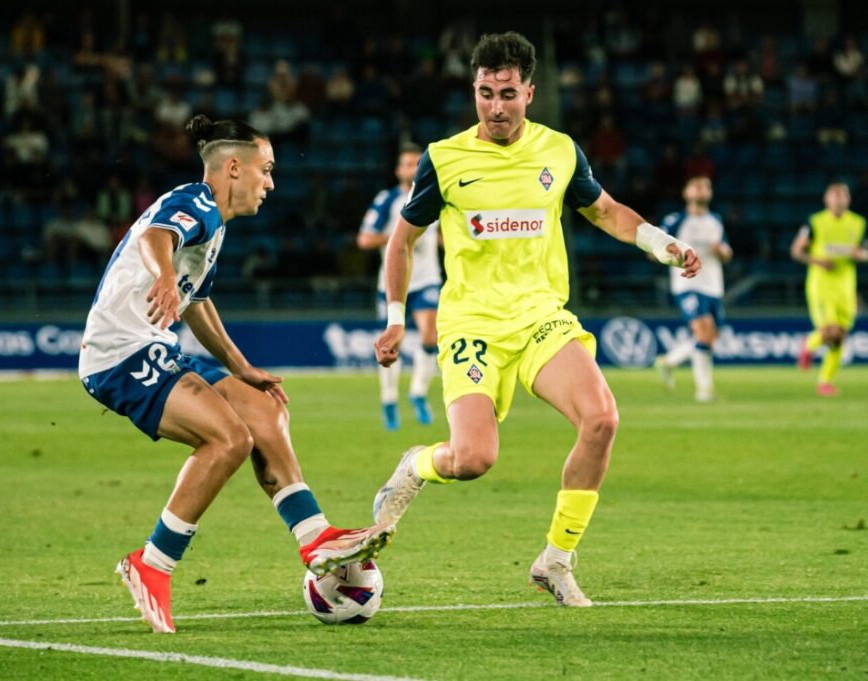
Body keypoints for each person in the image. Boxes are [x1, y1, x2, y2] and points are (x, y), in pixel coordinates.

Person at [371, 32, 699, 607]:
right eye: (484, 93)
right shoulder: (444, 159)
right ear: (473, 90)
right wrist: (397, 317)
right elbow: (401, 242)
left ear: (530, 92)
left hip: (540, 316)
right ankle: (418, 463)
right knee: (473, 459)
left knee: (600, 419)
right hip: (472, 323)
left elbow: (604, 211)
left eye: (507, 93)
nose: (495, 107)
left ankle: (556, 560)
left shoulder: (560, 150)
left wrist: (659, 241)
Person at [78, 115, 392, 634]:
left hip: (153, 347)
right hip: (119, 354)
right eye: (265, 171)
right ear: (232, 168)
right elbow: (155, 236)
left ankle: (315, 536)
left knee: (261, 409)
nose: (270, 183)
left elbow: (197, 302)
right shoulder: (198, 202)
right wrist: (162, 278)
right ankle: (152, 565)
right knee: (228, 440)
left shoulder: (214, 227)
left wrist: (242, 369)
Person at [358, 144, 442, 430]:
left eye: (417, 163)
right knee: (391, 343)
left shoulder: (436, 195)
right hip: (394, 282)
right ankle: (390, 400)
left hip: (428, 278)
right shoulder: (388, 200)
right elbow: (365, 239)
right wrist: (400, 239)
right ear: (398, 170)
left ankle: (418, 393)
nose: (413, 168)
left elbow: (442, 234)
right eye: (407, 164)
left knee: (430, 334)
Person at [654, 176, 732, 402]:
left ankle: (669, 361)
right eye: (696, 186)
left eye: (706, 186)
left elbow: (728, 252)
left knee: (710, 337)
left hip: (713, 286)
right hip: (687, 283)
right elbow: (653, 248)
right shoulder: (675, 221)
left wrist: (722, 251)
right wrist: (671, 253)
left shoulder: (716, 221)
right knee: (703, 332)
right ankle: (704, 391)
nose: (701, 190)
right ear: (686, 193)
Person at [791, 182, 867, 396]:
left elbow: (863, 251)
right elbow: (796, 250)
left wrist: (859, 255)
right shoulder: (815, 221)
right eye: (834, 195)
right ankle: (809, 344)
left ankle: (825, 381)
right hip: (821, 284)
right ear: (827, 199)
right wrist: (816, 261)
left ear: (848, 199)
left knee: (841, 336)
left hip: (846, 285)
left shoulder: (858, 223)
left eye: (842, 195)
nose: (838, 199)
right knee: (830, 331)